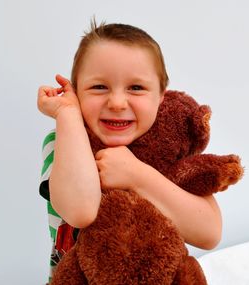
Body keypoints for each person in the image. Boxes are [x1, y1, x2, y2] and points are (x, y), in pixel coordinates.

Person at [37, 20, 222, 283]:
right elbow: (80, 210)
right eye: (99, 87)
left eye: (136, 88)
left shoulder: (170, 147)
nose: (116, 102)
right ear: (75, 92)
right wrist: (66, 113)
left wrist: (137, 175)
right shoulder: (62, 142)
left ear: (161, 96)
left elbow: (210, 233)